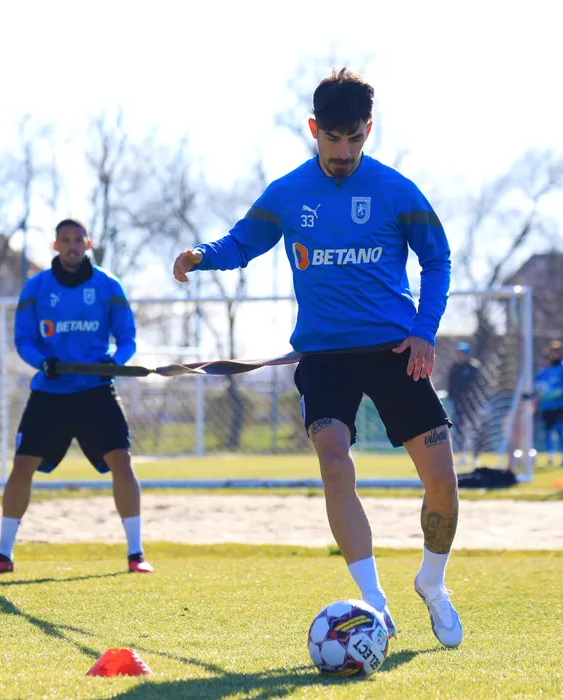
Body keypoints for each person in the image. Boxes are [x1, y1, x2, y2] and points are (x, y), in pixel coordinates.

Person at [173, 68, 462, 647]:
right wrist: (202, 255)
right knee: (334, 461)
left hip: (395, 351)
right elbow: (242, 242)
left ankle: (432, 583)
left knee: (442, 483)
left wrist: (425, 332)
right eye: (333, 138)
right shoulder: (287, 193)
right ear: (314, 129)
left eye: (354, 138)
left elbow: (437, 259)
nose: (344, 151)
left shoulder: (397, 190)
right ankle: (375, 602)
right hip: (324, 357)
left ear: (368, 130)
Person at [0, 218, 153, 576]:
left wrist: (113, 363)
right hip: (49, 394)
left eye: (78, 240)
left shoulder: (108, 285)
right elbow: (24, 340)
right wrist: (43, 362)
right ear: (56, 245)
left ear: (88, 244)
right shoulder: (36, 287)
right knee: (22, 464)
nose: (72, 246)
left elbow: (127, 338)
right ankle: (3, 555)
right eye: (65, 240)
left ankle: (136, 553)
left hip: (96, 392)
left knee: (121, 461)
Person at [448, 342, 487, 466]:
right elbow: (451, 387)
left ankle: (475, 456)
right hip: (459, 404)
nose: (460, 356)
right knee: (460, 430)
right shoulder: (454, 368)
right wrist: (452, 400)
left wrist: (481, 402)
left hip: (474, 404)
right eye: (458, 353)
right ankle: (462, 455)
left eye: (462, 353)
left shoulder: (474, 368)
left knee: (476, 430)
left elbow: (481, 385)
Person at [534, 340, 563, 467]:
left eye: (556, 351)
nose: (554, 354)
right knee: (548, 432)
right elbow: (537, 386)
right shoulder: (544, 371)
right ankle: (550, 458)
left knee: (561, 431)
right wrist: (542, 393)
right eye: (552, 351)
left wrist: (558, 392)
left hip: (560, 406)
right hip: (547, 407)